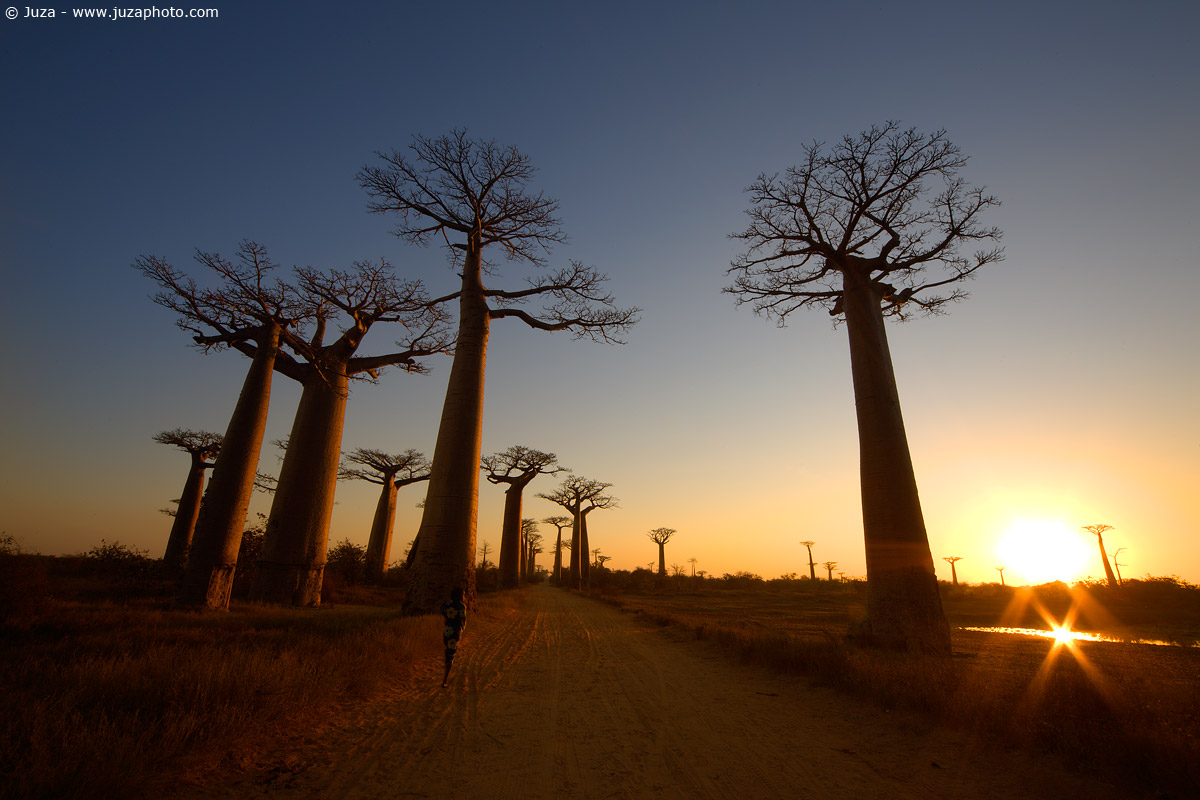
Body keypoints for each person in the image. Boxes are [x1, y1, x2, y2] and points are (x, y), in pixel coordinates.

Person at [440, 587, 467, 687]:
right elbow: (463, 620)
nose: (464, 597)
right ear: (459, 596)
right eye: (463, 595)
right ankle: (445, 680)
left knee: (448, 651)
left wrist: (447, 620)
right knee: (451, 655)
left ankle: (446, 667)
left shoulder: (447, 604)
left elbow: (443, 612)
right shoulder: (461, 606)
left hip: (446, 631)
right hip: (455, 632)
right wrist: (462, 629)